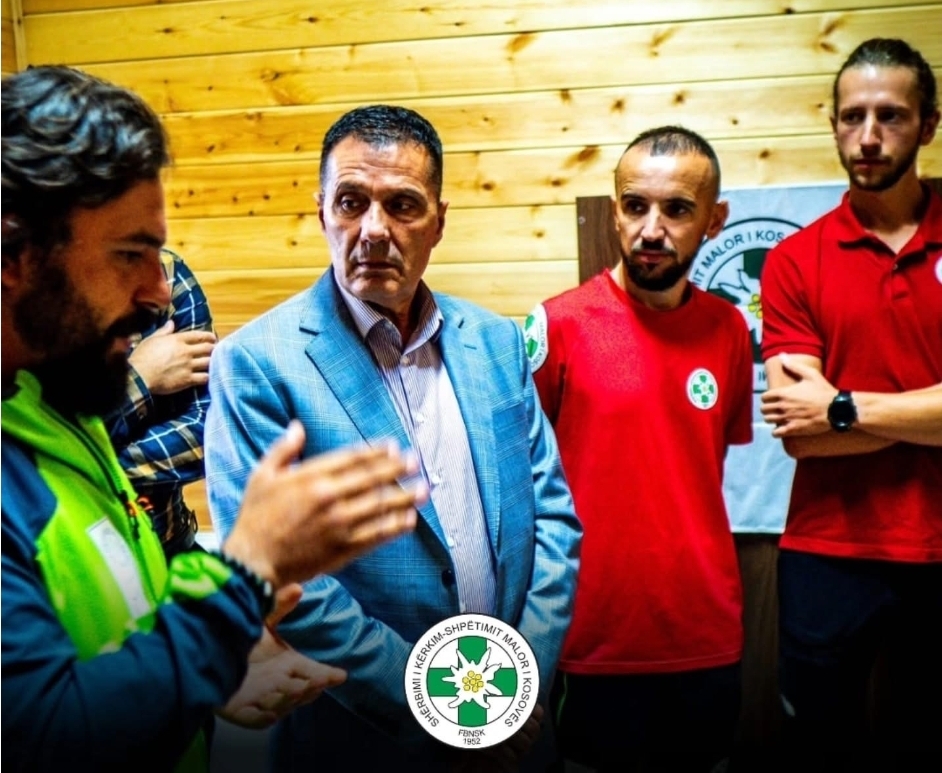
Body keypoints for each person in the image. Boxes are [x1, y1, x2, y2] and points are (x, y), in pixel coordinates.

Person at [1, 65, 426, 773]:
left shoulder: (55, 403)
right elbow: (46, 739)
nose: (158, 291)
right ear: (14, 254)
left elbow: (104, 638)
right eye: (130, 253)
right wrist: (240, 579)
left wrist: (208, 673)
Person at [204, 103, 582, 772]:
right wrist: (446, 709)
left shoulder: (496, 342)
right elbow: (287, 578)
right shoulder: (256, 364)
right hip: (362, 738)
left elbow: (554, 520)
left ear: (438, 221)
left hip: (517, 727)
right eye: (351, 202)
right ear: (321, 211)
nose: (374, 230)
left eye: (402, 205)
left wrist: (513, 690)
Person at [524, 126, 753, 772]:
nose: (652, 229)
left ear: (714, 221)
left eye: (677, 209)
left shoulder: (729, 328)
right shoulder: (558, 324)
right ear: (615, 211)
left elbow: (702, 465)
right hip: (592, 637)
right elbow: (519, 479)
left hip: (706, 634)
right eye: (635, 206)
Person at [759, 37, 942, 773]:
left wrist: (841, 408)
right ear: (832, 123)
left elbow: (822, 416)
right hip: (828, 552)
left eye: (890, 116)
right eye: (852, 116)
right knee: (817, 749)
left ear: (929, 124)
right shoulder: (794, 260)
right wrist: (925, 415)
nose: (868, 136)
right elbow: (800, 431)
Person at [105, 248, 216, 560]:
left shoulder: (165, 272)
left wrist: (82, 467)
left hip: (172, 546)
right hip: (59, 568)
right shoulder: (21, 296)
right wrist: (139, 378)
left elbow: (211, 427)